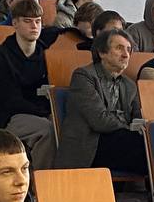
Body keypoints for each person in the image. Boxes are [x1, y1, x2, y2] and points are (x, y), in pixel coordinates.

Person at [57, 27, 147, 173]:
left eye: (129, 50)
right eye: (119, 48)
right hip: (91, 145)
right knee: (147, 149)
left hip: (120, 140)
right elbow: (99, 121)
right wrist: (130, 128)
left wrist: (141, 128)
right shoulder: (83, 76)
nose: (126, 55)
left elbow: (138, 117)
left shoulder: (129, 85)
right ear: (102, 53)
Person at [0, 0, 56, 169]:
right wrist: (43, 113)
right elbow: (8, 100)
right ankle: (41, 182)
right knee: (47, 130)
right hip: (10, 117)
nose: (34, 26)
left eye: (38, 21)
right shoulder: (1, 55)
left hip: (41, 112)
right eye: (27, 21)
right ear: (15, 23)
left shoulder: (47, 54)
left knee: (70, 127)